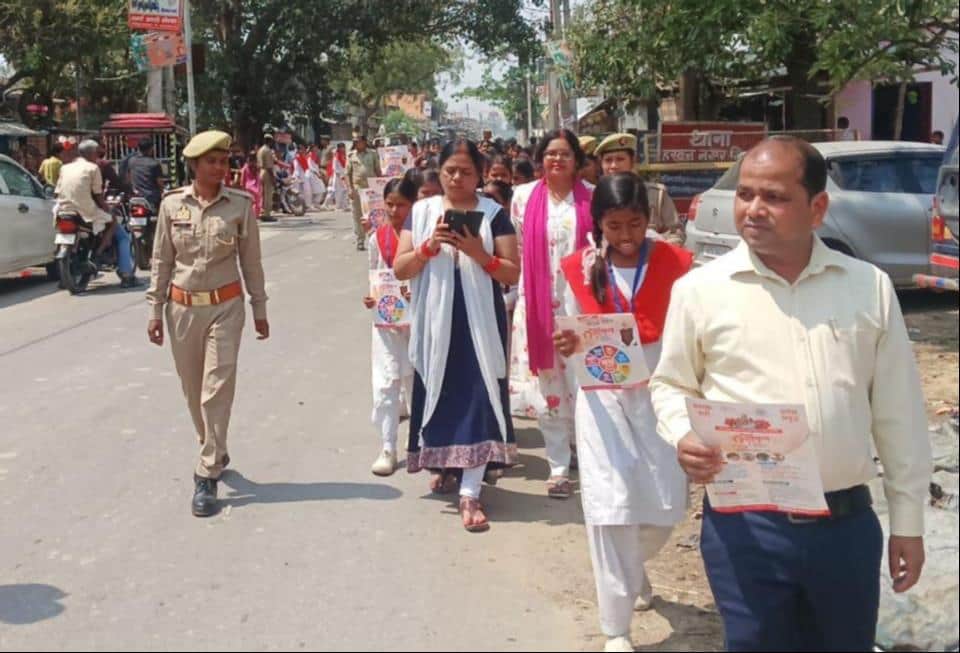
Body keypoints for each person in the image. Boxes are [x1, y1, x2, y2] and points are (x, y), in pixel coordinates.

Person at [649, 136, 932, 651]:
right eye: (745, 194)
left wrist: (908, 523)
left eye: (774, 197)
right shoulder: (700, 290)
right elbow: (671, 383)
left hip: (844, 529)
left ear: (817, 208)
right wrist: (684, 433)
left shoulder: (867, 287)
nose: (753, 209)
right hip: (745, 528)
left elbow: (900, 414)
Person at [555, 173, 691, 652]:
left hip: (660, 391)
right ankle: (616, 628)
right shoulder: (578, 267)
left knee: (666, 504)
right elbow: (570, 326)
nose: (626, 236)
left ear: (648, 219)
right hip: (602, 396)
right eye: (614, 226)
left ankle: (633, 570)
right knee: (610, 507)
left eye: (634, 224)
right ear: (599, 224)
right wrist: (567, 342)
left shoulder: (677, 263)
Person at [393, 138, 521, 532]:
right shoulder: (422, 212)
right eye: (450, 170)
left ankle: (470, 491)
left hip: (479, 323)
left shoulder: (493, 214)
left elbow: (512, 272)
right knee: (440, 393)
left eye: (466, 172)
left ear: (479, 174)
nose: (457, 178)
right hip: (435, 323)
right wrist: (429, 246)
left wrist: (478, 253)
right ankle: (446, 466)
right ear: (440, 171)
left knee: (479, 397)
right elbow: (400, 268)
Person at [146, 130, 270, 518]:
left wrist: (260, 307)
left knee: (216, 388)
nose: (220, 168)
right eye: (211, 162)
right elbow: (161, 260)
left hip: (226, 308)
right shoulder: (171, 205)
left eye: (224, 161)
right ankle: (213, 445)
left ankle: (206, 473)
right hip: (182, 309)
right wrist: (154, 309)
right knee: (192, 390)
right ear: (194, 165)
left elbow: (251, 261)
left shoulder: (239, 205)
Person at [510, 128, 594, 499]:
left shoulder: (593, 197)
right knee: (549, 386)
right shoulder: (523, 197)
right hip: (538, 306)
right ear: (540, 159)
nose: (557, 159)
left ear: (577, 160)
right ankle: (558, 467)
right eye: (550, 153)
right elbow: (518, 249)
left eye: (564, 154)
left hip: (581, 306)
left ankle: (588, 459)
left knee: (584, 384)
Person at [365, 176, 420, 476]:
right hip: (387, 321)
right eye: (390, 204)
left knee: (414, 380)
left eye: (401, 205)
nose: (395, 211)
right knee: (386, 381)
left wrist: (416, 293)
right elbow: (374, 274)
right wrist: (372, 297)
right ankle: (388, 446)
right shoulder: (378, 238)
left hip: (417, 321)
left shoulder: (421, 237)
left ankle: (418, 441)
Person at [54, 139, 139, 288]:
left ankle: (67, 275)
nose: (99, 155)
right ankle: (108, 260)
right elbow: (98, 195)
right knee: (116, 227)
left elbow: (58, 190)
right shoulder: (94, 168)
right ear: (93, 153)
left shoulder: (65, 167)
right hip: (85, 210)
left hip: (63, 209)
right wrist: (107, 209)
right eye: (98, 152)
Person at [595, 133, 684, 245]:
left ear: (632, 161)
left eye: (620, 159)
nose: (613, 166)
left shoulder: (656, 195)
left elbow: (676, 233)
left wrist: (656, 245)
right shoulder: (594, 197)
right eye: (608, 160)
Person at [346, 134, 382, 250]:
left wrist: (381, 187)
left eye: (359, 141)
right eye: (355, 142)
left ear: (364, 142)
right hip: (357, 188)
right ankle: (360, 240)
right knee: (357, 215)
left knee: (373, 214)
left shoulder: (373, 154)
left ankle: (374, 238)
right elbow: (347, 174)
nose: (356, 143)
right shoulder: (351, 155)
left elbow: (378, 170)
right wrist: (350, 189)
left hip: (371, 189)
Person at [126, 137, 166, 210]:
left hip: (136, 196)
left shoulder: (131, 161)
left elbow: (128, 178)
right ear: (150, 149)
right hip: (152, 197)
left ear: (139, 148)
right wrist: (163, 192)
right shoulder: (154, 163)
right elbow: (160, 183)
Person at [293, 143, 324, 209]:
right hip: (299, 177)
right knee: (299, 192)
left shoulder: (304, 156)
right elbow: (297, 168)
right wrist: (298, 177)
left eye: (303, 149)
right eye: (301, 149)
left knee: (308, 192)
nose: (303, 150)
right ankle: (298, 206)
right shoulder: (297, 158)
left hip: (304, 177)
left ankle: (308, 206)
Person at [256, 133, 278, 222]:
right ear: (270, 141)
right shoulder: (267, 150)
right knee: (268, 194)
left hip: (260, 172)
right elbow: (269, 167)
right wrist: (273, 178)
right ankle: (267, 214)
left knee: (262, 194)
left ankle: (261, 212)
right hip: (267, 173)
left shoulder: (260, 150)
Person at [240, 151, 262, 218]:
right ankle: (255, 216)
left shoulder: (245, 167)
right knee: (257, 203)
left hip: (248, 187)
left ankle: (250, 216)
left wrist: (242, 187)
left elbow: (242, 179)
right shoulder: (257, 167)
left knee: (249, 203)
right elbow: (258, 177)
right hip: (256, 187)